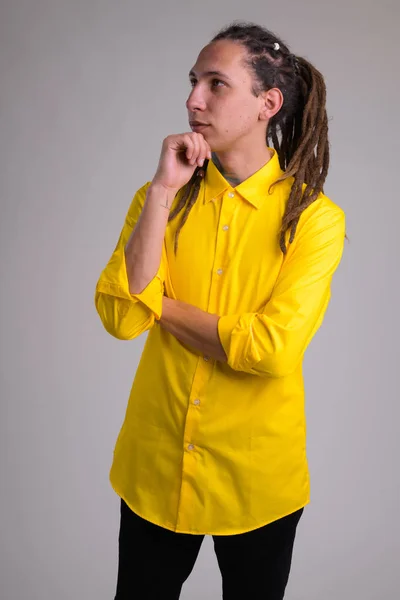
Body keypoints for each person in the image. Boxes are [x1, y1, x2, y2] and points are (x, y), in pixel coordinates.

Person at [95, 21, 346, 600]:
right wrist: (161, 191)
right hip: (155, 466)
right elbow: (119, 317)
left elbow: (270, 349)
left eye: (216, 83)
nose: (193, 99)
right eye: (192, 82)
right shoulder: (158, 198)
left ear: (268, 103)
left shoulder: (314, 219)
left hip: (257, 478)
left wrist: (159, 303)